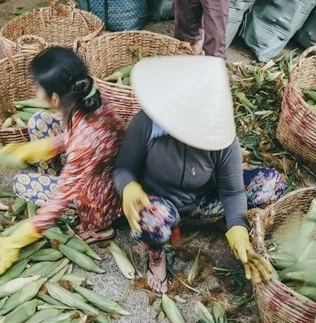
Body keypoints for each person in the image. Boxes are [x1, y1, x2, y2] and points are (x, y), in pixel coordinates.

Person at [113, 55, 286, 294]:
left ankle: (220, 223)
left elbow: (232, 190)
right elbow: (124, 168)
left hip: (202, 200)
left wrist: (238, 230)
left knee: (272, 184)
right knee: (148, 222)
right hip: (160, 205)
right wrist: (129, 187)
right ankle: (156, 255)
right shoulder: (147, 123)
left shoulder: (223, 141)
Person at [0, 47, 124, 271]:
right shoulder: (89, 95)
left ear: (54, 97)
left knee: (21, 183)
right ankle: (54, 175)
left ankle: (99, 228)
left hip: (98, 197)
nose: (34, 89)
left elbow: (58, 202)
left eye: (37, 86)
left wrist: (16, 240)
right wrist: (32, 150)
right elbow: (77, 137)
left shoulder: (83, 144)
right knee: (39, 121)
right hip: (98, 167)